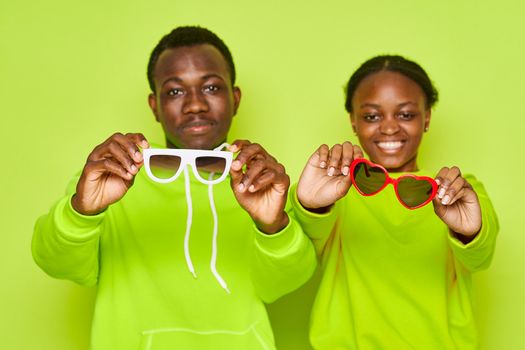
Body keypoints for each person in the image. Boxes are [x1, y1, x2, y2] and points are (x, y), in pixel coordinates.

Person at [32, 26, 316, 350]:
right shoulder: (113, 176)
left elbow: (281, 285)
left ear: (235, 99)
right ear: (154, 106)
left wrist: (272, 227)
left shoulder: (260, 182)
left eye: (211, 87)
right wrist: (81, 213)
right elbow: (54, 262)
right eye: (175, 92)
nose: (195, 105)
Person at [291, 55, 498, 349]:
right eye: (372, 116)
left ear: (426, 118)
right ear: (353, 121)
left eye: (405, 115)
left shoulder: (460, 193)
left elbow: (480, 257)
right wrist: (311, 207)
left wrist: (470, 231)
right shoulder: (330, 190)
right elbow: (296, 252)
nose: (389, 128)